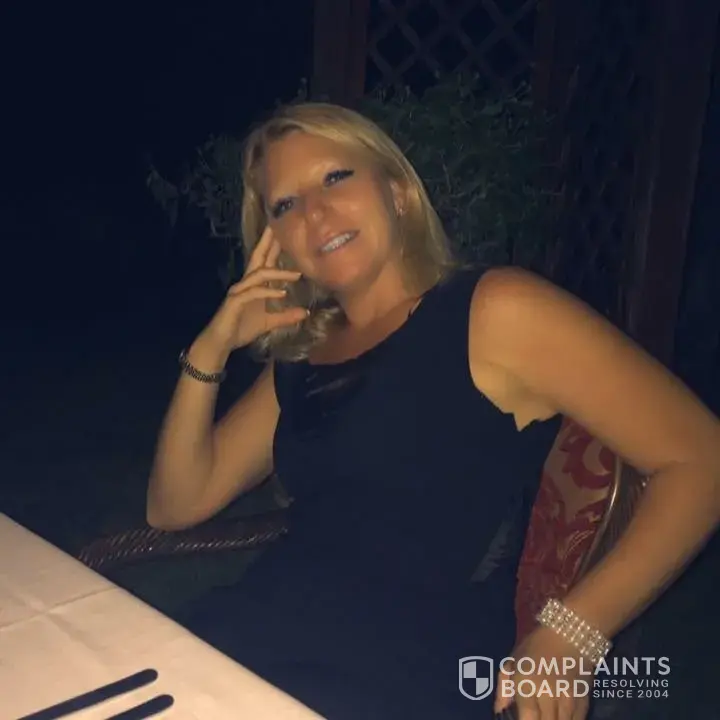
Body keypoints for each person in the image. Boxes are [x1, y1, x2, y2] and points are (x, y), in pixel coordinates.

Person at [146, 102, 720, 719]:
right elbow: (174, 506)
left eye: (336, 177)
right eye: (285, 204)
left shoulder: (493, 311)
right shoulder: (307, 351)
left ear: (397, 193)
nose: (314, 211)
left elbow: (702, 459)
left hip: (403, 675)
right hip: (254, 628)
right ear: (276, 240)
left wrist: (573, 632)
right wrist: (211, 348)